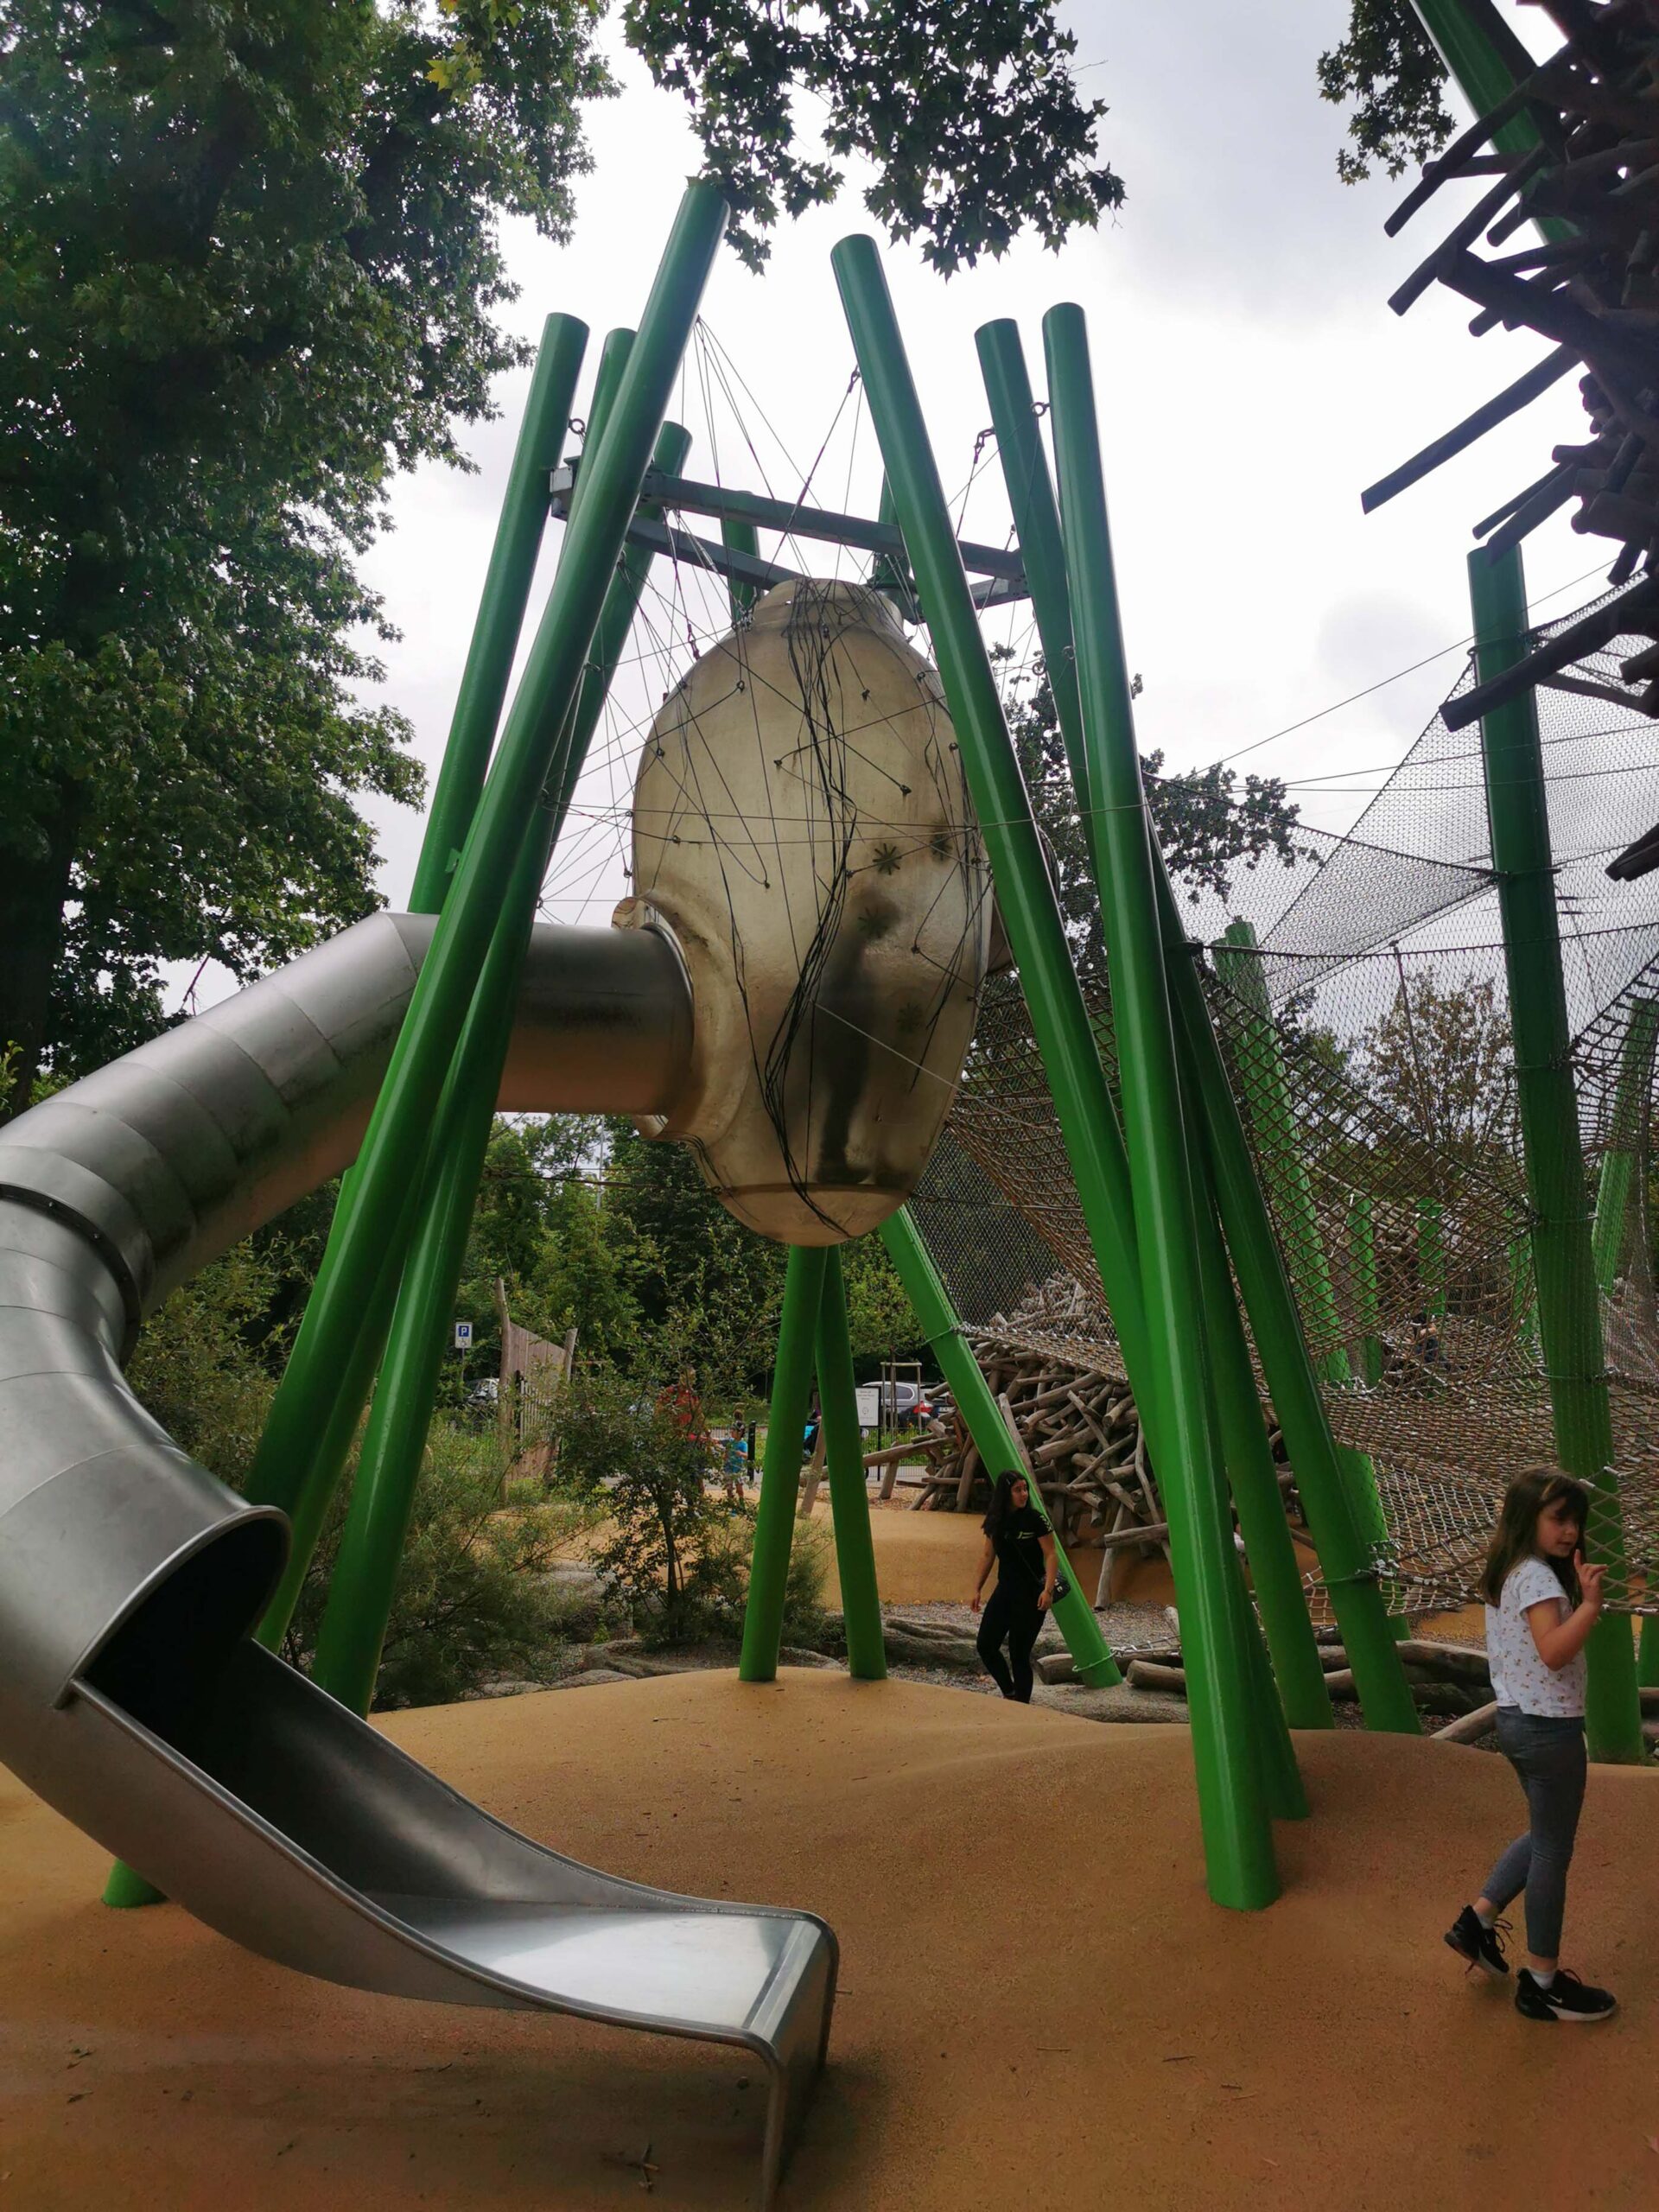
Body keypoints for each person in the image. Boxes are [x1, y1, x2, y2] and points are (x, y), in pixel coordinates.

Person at [1444, 1465, 1618, 2022]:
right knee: (1552, 1851)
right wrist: (1589, 1607)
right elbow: (1553, 1651)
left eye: (1576, 1521)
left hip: (1518, 1721)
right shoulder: (1540, 1578)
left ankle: (1477, 1920)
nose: (1570, 1531)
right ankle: (1543, 1982)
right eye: (1558, 1519)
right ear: (1528, 1518)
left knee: (1544, 1833)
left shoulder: (1511, 1570)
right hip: (1548, 1728)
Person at [970, 1469, 1057, 1703]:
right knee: (986, 1645)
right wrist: (977, 1588)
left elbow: (1050, 1554)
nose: (1024, 1494)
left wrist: (1048, 1590)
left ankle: (1022, 1705)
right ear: (1005, 1494)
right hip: (1005, 1591)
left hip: (1032, 1595)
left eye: (1025, 1489)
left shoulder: (1035, 1519)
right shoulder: (995, 1521)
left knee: (1019, 1653)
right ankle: (1009, 1692)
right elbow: (988, 1555)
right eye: (1017, 1490)